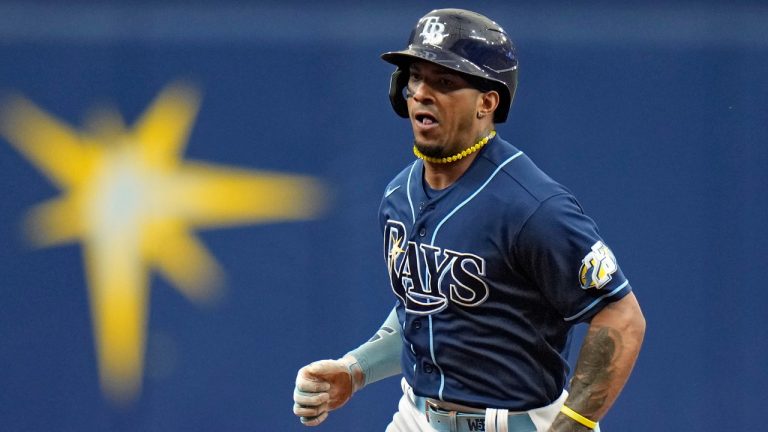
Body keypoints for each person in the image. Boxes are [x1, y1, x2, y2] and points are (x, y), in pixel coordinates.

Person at [293, 8, 645, 432]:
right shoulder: (398, 194)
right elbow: (424, 303)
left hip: (515, 423)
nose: (422, 92)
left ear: (487, 102)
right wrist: (355, 369)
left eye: (444, 81)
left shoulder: (532, 207)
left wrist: (574, 424)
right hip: (416, 417)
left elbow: (620, 314)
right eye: (415, 77)